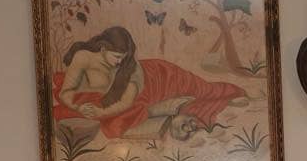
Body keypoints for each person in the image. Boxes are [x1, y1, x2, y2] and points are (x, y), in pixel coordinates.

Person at [52, 25, 246, 140]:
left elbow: (125, 103)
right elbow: (65, 92)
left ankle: (231, 93)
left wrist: (102, 113)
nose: (119, 62)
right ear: (103, 49)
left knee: (200, 88)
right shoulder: (83, 57)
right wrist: (77, 107)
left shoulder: (130, 66)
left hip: (157, 79)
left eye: (123, 57)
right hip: (112, 98)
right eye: (116, 57)